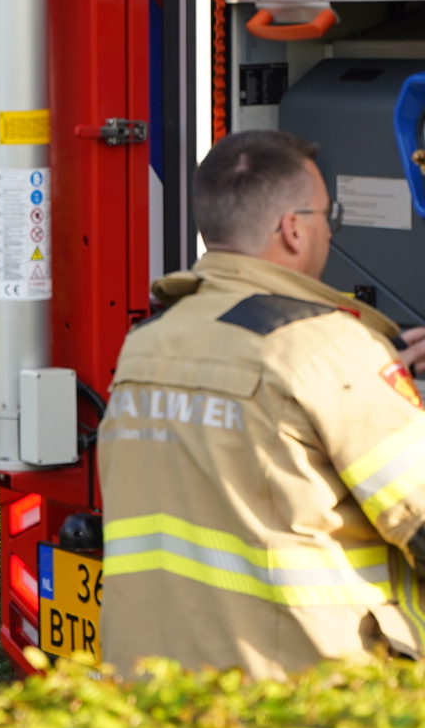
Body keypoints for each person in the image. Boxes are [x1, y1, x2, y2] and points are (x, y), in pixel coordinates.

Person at [99, 129, 425, 678]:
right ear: (293, 230)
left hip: (159, 692)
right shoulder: (329, 351)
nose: (329, 231)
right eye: (328, 217)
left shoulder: (148, 343)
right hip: (301, 701)